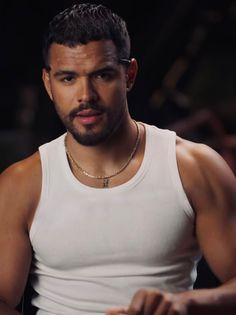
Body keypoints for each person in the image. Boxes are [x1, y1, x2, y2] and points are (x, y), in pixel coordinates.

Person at [0, 3, 236, 315]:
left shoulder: (194, 168)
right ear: (49, 83)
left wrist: (184, 304)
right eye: (68, 78)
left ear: (129, 75)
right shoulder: (21, 183)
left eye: (102, 75)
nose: (86, 95)